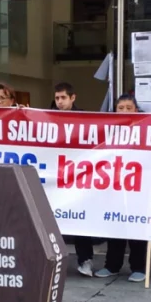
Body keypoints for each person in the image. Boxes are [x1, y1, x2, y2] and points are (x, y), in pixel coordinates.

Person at [93, 95, 148, 283]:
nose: (124, 111)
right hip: (114, 186)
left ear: (136, 111)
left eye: (128, 108)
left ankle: (139, 267)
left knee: (137, 227)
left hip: (137, 186)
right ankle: (112, 265)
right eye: (120, 108)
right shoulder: (109, 131)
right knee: (114, 226)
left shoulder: (146, 131)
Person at [51, 82, 95, 275]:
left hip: (77, 177)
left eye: (63, 98)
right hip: (54, 177)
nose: (60, 102)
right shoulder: (45, 118)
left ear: (73, 98)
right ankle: (52, 260)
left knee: (80, 219)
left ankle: (85, 260)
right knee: (50, 221)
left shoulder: (85, 119)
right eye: (57, 98)